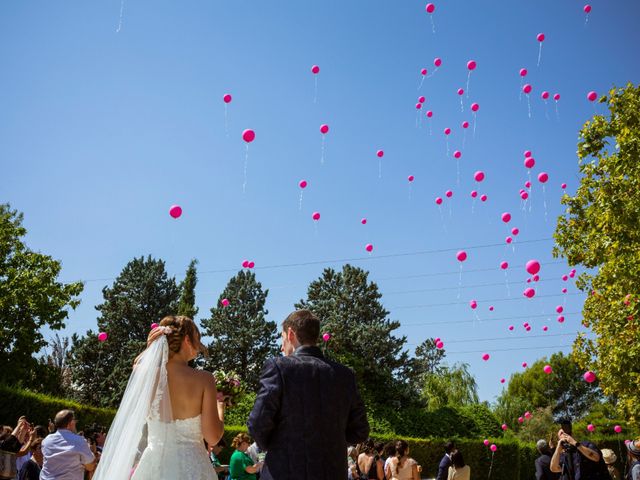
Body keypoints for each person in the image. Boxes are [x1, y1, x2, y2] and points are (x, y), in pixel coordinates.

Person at [92, 315, 227, 480]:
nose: (199, 347)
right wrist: (221, 410)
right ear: (186, 340)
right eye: (197, 339)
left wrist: (151, 349)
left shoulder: (145, 374)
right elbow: (213, 437)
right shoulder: (205, 379)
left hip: (155, 466)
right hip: (193, 467)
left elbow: (137, 366)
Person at [248, 309, 370, 480]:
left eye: (282, 339)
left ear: (290, 334)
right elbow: (361, 430)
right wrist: (331, 443)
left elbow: (257, 422)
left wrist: (277, 447)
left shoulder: (279, 367)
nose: (282, 347)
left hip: (284, 471)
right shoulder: (345, 375)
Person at [40, 410, 96, 480]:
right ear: (70, 423)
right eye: (75, 421)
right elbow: (90, 466)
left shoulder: (46, 440)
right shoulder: (78, 440)